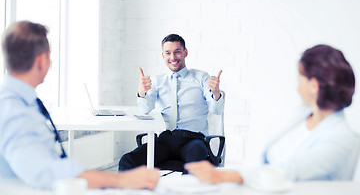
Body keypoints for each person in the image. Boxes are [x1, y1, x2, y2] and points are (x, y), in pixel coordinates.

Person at [0, 21, 159, 189]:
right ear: (41, 61)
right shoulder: (13, 110)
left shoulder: (21, 101)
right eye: (49, 56)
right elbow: (43, 172)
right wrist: (121, 180)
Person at [186, 44, 360, 183]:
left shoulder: (343, 139)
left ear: (314, 86)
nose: (297, 87)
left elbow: (289, 172)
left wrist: (225, 176)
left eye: (300, 79)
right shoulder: (300, 115)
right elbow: (262, 156)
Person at [118, 34, 224, 171]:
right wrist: (142, 92)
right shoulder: (157, 81)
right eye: (168, 53)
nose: (173, 57)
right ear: (163, 56)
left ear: (185, 52)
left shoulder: (201, 77)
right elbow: (145, 109)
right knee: (127, 161)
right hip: (165, 140)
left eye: (177, 52)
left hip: (193, 140)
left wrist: (216, 93)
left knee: (195, 164)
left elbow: (217, 110)